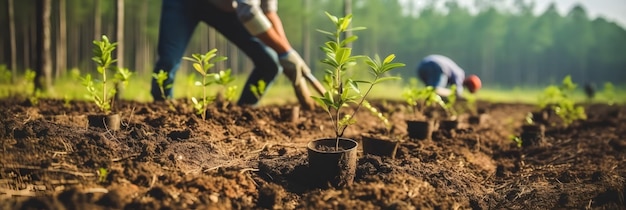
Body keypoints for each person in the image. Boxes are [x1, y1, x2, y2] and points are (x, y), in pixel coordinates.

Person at [151, 0, 323, 109]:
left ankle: (244, 112)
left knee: (270, 64)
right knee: (168, 61)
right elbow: (247, 11)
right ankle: (162, 110)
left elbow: (269, 12)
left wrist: (288, 54)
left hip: (224, 9)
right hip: (183, 4)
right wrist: (284, 51)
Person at [416, 54, 481, 99]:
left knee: (429, 90)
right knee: (436, 90)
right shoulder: (460, 75)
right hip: (438, 66)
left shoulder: (457, 71)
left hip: (422, 65)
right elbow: (458, 93)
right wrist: (461, 98)